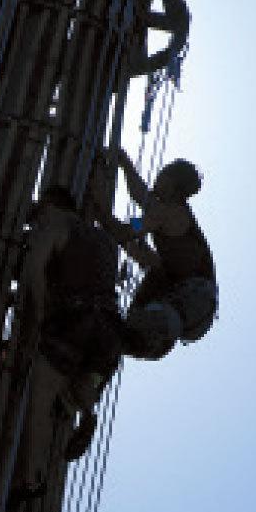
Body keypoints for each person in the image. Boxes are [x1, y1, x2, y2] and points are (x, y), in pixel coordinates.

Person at [15, 185, 152, 497]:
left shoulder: (54, 224)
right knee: (78, 378)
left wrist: (37, 316)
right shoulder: (106, 240)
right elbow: (131, 237)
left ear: (51, 205)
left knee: (40, 397)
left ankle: (30, 480)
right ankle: (86, 408)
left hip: (73, 323)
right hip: (108, 332)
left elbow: (34, 271)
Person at [97, 148, 218, 361]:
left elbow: (128, 229)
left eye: (162, 173)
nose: (157, 177)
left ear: (171, 182)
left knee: (141, 323)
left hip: (192, 300)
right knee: (152, 274)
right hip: (188, 301)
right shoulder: (166, 214)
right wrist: (125, 164)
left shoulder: (170, 213)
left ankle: (138, 339)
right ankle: (131, 341)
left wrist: (101, 212)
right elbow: (140, 199)